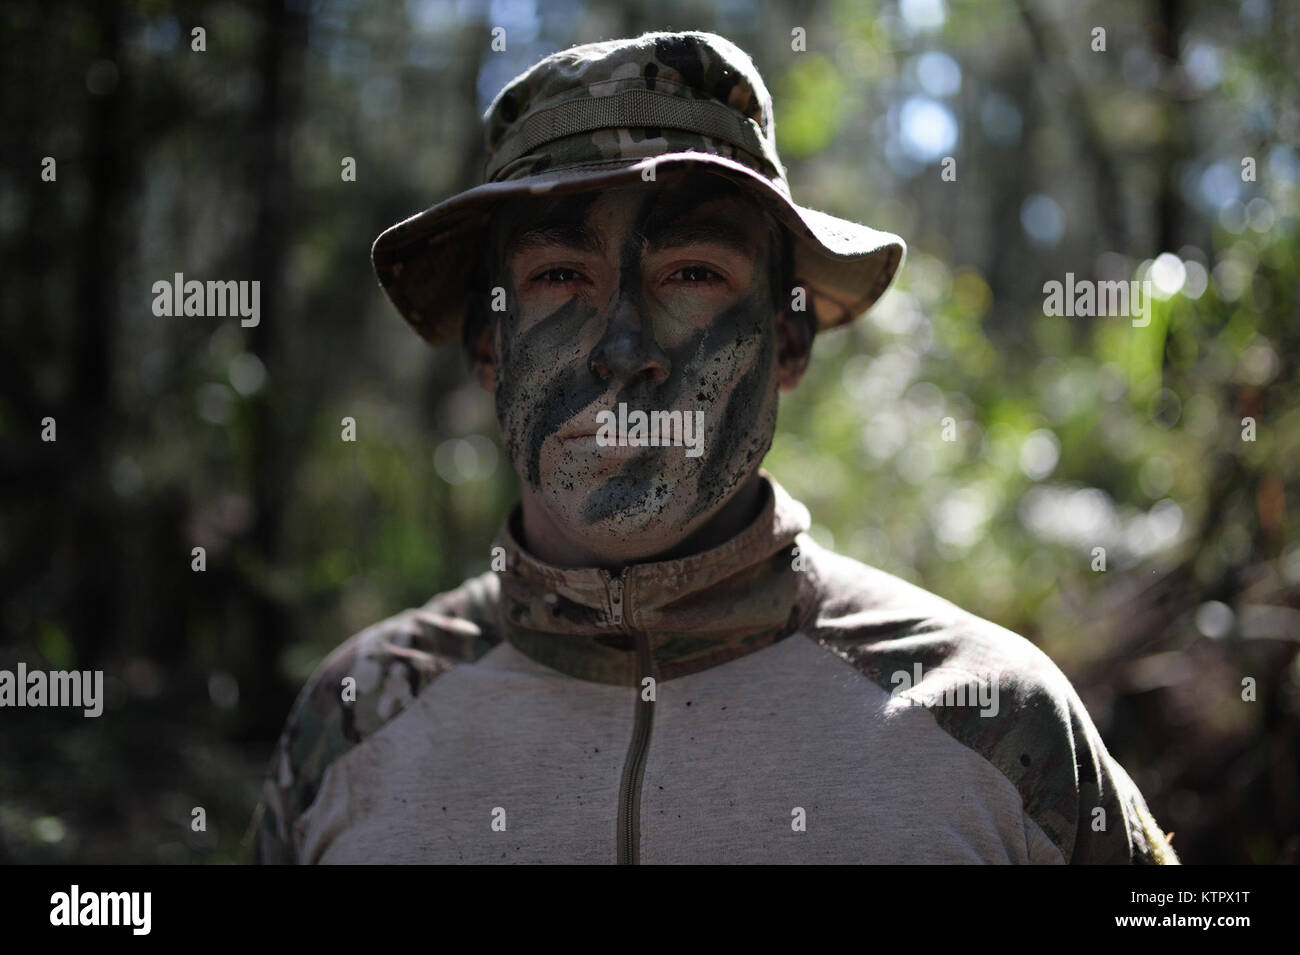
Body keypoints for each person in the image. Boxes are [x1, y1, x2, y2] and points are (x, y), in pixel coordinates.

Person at [252, 30, 1179, 864]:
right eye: (559, 276)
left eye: (692, 273)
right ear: (489, 346)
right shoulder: (359, 719)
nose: (623, 351)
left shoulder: (993, 719)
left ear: (788, 339)